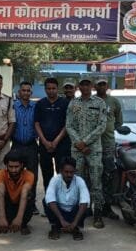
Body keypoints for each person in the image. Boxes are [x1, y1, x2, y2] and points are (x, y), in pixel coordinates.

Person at [65, 78, 107, 229]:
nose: (85, 87)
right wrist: (79, 144)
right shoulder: (73, 103)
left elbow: (102, 126)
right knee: (77, 182)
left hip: (94, 149)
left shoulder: (100, 103)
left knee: (96, 182)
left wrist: (86, 142)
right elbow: (68, 125)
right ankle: (79, 213)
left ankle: (98, 215)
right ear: (79, 86)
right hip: (77, 150)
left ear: (92, 86)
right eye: (82, 84)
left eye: (87, 84)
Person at [34, 77, 70, 197]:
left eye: (53, 88)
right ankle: (49, 200)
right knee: (47, 174)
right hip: (45, 146)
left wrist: (55, 142)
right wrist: (44, 141)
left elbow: (67, 124)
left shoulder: (65, 103)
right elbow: (37, 123)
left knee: (63, 174)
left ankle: (63, 200)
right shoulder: (40, 104)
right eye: (48, 88)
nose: (51, 91)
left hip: (62, 145)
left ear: (57, 89)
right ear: (45, 89)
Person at [95, 77, 123, 220]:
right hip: (93, 145)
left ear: (107, 86)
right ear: (95, 86)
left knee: (108, 176)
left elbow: (119, 122)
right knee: (93, 177)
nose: (101, 86)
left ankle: (107, 207)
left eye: (103, 84)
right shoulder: (91, 101)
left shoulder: (114, 102)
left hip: (108, 145)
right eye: (99, 84)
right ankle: (92, 208)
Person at [44, 157, 90, 241]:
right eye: (66, 172)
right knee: (46, 201)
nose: (69, 175)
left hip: (74, 213)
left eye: (71, 172)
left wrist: (74, 223)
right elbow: (50, 199)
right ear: (61, 171)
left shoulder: (80, 181)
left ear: (75, 171)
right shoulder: (55, 180)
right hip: (59, 213)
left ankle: (75, 228)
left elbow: (84, 202)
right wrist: (62, 220)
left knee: (85, 205)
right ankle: (55, 226)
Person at [11, 81, 39, 213]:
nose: (26, 93)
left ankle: (31, 203)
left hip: (31, 145)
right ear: (19, 92)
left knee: (32, 175)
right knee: (16, 173)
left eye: (28, 91)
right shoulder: (13, 106)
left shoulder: (36, 106)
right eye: (24, 90)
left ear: (31, 93)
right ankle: (16, 201)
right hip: (17, 144)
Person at [0, 152, 34, 235]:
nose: (13, 170)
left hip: (21, 204)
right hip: (8, 205)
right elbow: (0, 195)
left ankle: (23, 224)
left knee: (29, 194)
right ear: (6, 166)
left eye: (16, 167)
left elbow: (24, 194)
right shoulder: (0, 174)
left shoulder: (29, 175)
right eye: (10, 167)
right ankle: (4, 221)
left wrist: (19, 218)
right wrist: (2, 218)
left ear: (22, 165)